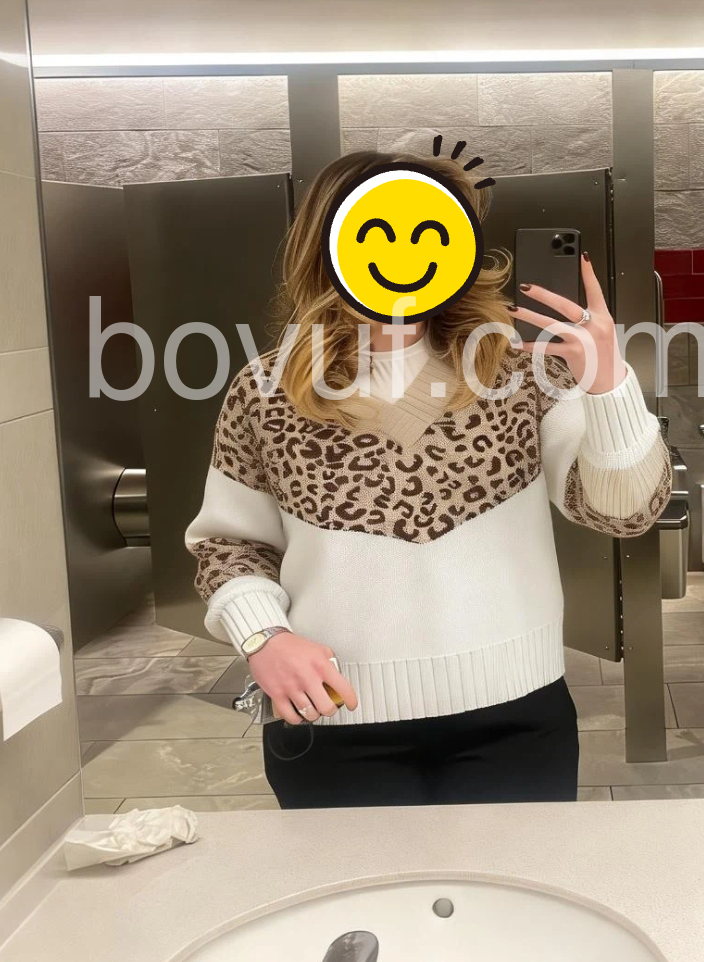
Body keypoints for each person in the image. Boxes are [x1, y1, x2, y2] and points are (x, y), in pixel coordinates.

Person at [185, 151, 671, 807]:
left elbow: (625, 513)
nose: (406, 255)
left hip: (516, 717)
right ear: (328, 247)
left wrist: (610, 386)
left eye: (430, 233)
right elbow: (228, 546)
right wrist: (262, 636)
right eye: (378, 233)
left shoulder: (519, 373)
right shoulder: (268, 391)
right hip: (332, 719)